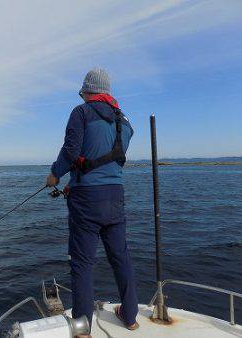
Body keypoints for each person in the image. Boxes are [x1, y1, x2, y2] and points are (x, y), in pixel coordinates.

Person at [46, 68, 139, 336]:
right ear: (107, 92)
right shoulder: (124, 121)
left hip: (86, 200)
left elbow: (71, 151)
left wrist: (55, 174)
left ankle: (83, 328)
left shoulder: (81, 112)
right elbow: (110, 154)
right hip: (115, 195)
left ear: (88, 91)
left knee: (82, 263)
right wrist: (81, 174)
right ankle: (130, 316)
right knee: (120, 256)